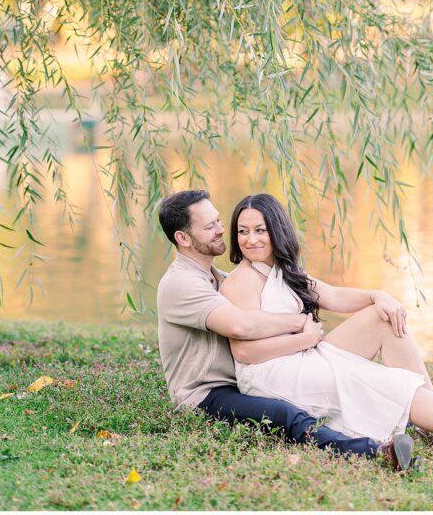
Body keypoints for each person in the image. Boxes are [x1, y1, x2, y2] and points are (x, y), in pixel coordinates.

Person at [220, 193, 433, 466]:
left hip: (303, 354)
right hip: (272, 374)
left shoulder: (281, 270)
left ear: (276, 230)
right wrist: (305, 338)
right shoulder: (242, 282)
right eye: (243, 231)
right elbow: (245, 353)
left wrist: (378, 294)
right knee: (390, 385)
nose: (250, 239)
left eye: (260, 229)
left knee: (382, 316)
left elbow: (335, 296)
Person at [157, 189, 413, 470]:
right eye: (210, 226)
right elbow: (240, 325)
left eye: (218, 221)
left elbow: (327, 294)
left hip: (245, 379)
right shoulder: (181, 283)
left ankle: (410, 412)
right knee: (284, 413)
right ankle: (375, 451)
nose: (221, 230)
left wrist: (376, 295)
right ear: (182, 238)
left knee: (336, 375)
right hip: (207, 393)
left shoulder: (221, 278)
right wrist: (301, 327)